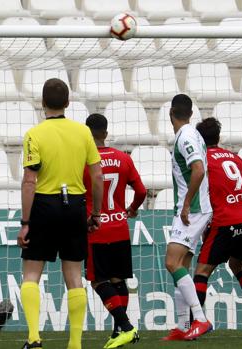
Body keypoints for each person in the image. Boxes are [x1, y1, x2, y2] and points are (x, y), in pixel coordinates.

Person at [17, 78, 103, 349]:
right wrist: (96, 213)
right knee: (74, 276)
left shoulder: (34, 134)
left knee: (31, 274)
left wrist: (25, 222)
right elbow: (97, 176)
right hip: (75, 205)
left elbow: (30, 180)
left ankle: (33, 338)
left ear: (42, 103)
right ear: (68, 103)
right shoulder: (83, 133)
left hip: (44, 205)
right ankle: (75, 343)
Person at [193, 117, 242, 337]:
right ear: (219, 137)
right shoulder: (235, 158)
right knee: (238, 266)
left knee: (202, 271)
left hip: (225, 221)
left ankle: (196, 325)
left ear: (199, 139)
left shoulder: (202, 160)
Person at [82, 113, 146, 348]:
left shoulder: (84, 161)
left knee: (98, 282)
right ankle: (119, 331)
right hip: (120, 226)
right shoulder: (123, 158)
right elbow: (141, 191)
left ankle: (126, 327)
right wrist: (131, 209)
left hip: (95, 228)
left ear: (86, 135)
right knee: (118, 280)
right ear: (106, 134)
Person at [163, 94, 213, 341]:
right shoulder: (193, 134)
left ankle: (200, 320)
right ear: (191, 113)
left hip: (191, 210)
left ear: (170, 113)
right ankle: (183, 326)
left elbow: (199, 169)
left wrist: (185, 204)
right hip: (198, 208)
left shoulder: (185, 137)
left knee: (171, 262)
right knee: (182, 265)